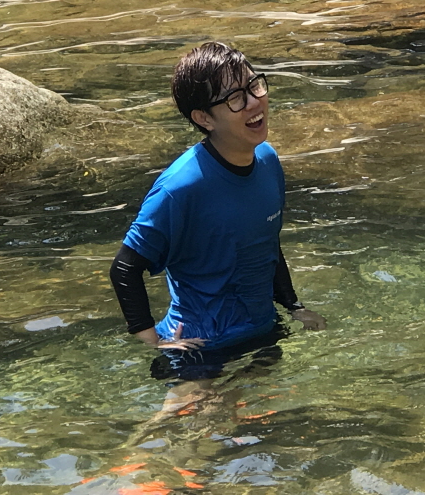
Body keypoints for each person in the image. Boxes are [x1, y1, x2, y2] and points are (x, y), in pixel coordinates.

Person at [109, 42, 325, 388]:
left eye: (254, 86)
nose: (254, 102)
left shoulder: (267, 161)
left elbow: (266, 242)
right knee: (199, 423)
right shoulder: (181, 187)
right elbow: (125, 268)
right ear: (204, 118)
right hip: (200, 349)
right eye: (235, 98)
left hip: (263, 331)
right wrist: (154, 341)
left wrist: (293, 306)